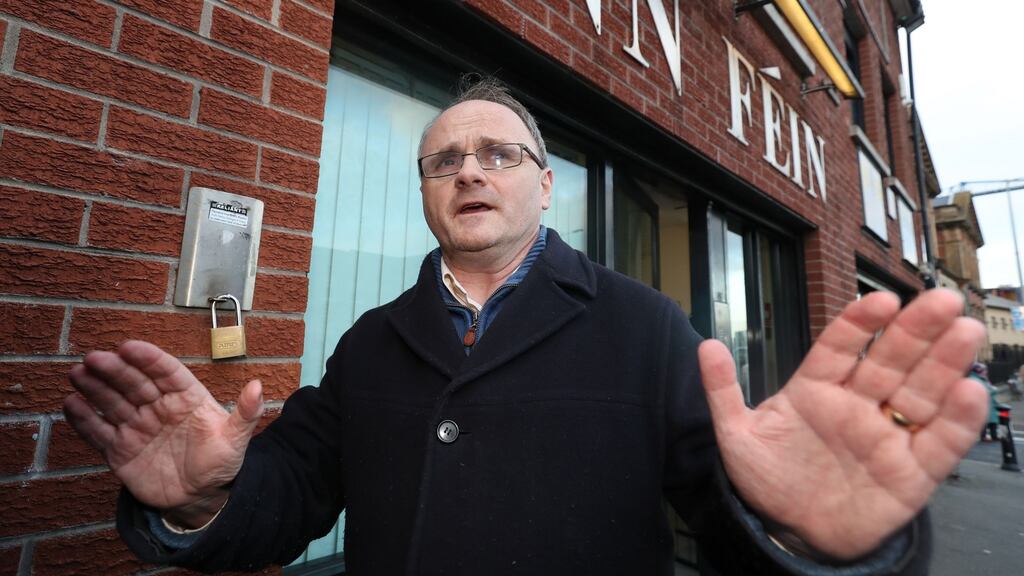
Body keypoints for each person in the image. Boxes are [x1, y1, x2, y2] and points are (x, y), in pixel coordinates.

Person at [64, 78, 989, 575]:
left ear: (545, 186)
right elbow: (289, 499)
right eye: (445, 160)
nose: (470, 171)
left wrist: (800, 537)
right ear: (427, 191)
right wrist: (196, 499)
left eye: (498, 153)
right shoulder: (370, 342)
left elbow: (727, 519)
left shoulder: (646, 327)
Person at [969, 362, 999, 441]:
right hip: (983, 404)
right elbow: (983, 391)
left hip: (989, 404)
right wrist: (993, 390)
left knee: (992, 422)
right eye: (984, 370)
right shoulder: (975, 379)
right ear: (978, 371)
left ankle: (994, 436)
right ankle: (983, 436)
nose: (986, 372)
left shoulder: (983, 379)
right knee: (984, 422)